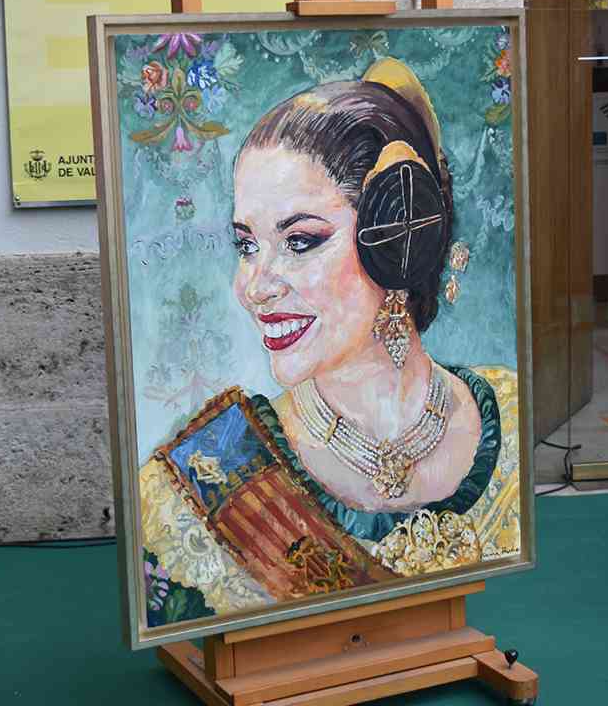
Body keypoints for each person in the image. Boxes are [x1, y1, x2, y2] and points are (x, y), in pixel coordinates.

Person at [139, 58, 520, 628]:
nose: (253, 287)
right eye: (247, 245)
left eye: (299, 241)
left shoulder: (510, 420)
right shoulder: (196, 485)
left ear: (398, 241)